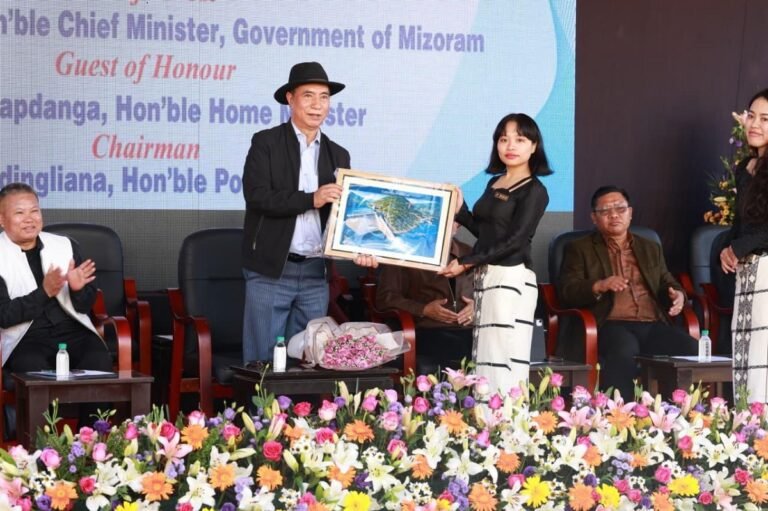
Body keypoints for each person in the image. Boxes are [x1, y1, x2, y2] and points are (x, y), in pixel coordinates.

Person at [241, 62, 374, 364]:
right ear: (290, 99)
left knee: (308, 361)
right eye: (308, 96)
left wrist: (362, 248)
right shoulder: (266, 143)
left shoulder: (338, 154)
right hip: (272, 270)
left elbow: (346, 215)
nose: (317, 105)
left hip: (316, 273)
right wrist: (311, 199)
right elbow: (258, 196)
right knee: (262, 364)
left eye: (324, 97)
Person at [440, 113, 551, 394]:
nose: (510, 146)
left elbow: (515, 241)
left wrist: (465, 262)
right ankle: (486, 417)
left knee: (505, 358)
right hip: (487, 277)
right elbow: (485, 232)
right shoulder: (494, 183)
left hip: (512, 278)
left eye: (519, 139)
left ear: (534, 146)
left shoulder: (535, 190)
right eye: (503, 139)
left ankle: (507, 418)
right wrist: (460, 209)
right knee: (486, 357)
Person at [558, 185, 698, 400]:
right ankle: (619, 414)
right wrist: (599, 285)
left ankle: (679, 412)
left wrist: (677, 294)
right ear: (594, 217)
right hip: (609, 323)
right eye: (605, 211)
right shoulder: (579, 248)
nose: (614, 215)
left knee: (690, 348)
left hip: (652, 324)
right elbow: (567, 290)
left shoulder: (650, 247)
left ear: (630, 213)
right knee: (624, 349)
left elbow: (667, 281)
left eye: (620, 209)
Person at [0, 183, 112, 376]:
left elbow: (85, 306)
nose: (29, 219)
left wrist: (77, 290)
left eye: (34, 211)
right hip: (26, 338)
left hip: (73, 330)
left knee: (98, 358)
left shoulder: (64, 245)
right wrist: (44, 292)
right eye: (19, 213)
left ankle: (94, 400)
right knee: (31, 366)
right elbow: (4, 316)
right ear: (2, 219)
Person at [720, 88, 768, 403]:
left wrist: (739, 247)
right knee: (745, 355)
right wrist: (728, 248)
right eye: (752, 116)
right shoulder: (745, 167)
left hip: (765, 270)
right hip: (748, 272)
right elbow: (742, 222)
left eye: (765, 119)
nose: (755, 124)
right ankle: (748, 424)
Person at [376, 224, 474, 372]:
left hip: (471, 329)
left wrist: (477, 306)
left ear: (458, 225)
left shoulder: (471, 254)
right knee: (458, 347)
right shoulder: (404, 251)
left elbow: (490, 292)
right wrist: (423, 310)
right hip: (427, 329)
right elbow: (385, 298)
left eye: (452, 219)